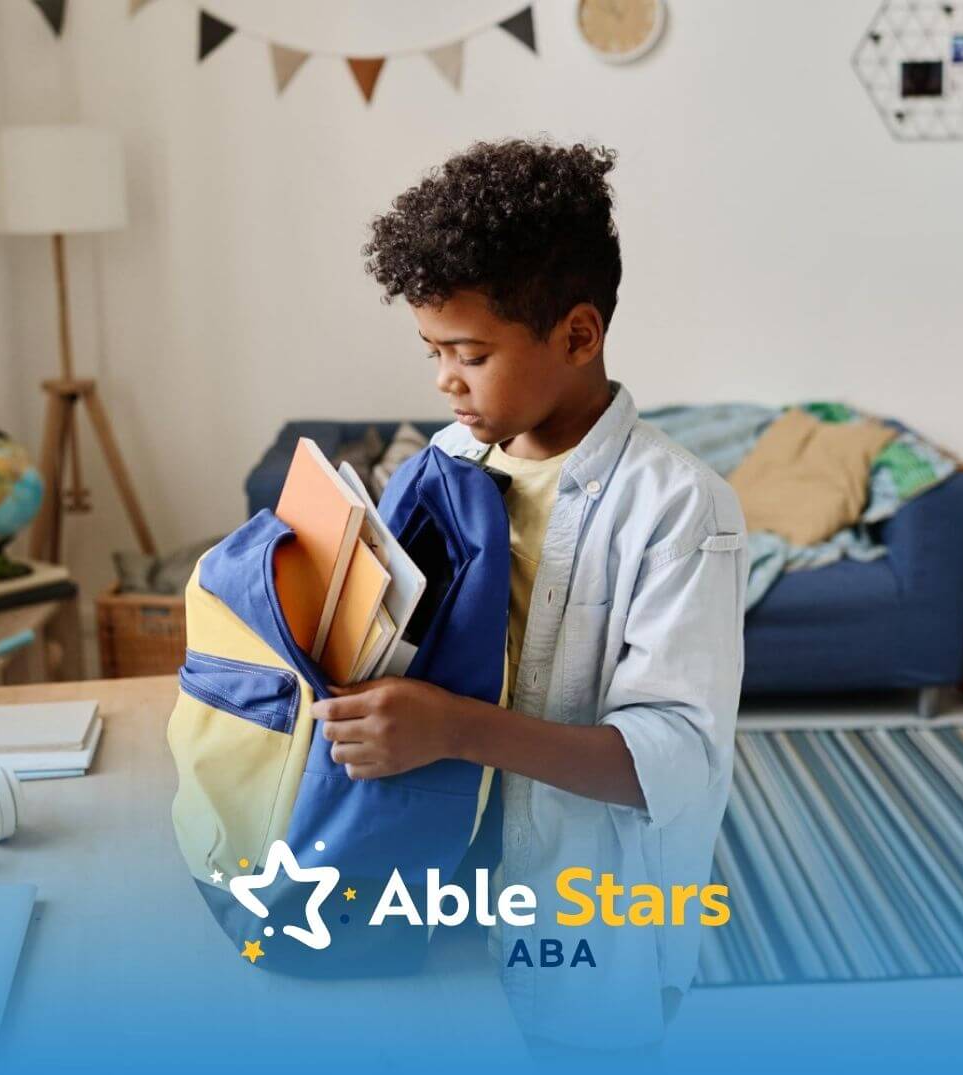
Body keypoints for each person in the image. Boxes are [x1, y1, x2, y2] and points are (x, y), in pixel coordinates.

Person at [311, 137, 747, 1055]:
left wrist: (453, 727)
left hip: (587, 921)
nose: (444, 378)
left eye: (469, 352)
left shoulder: (680, 507)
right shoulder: (444, 461)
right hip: (441, 880)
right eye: (432, 350)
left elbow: (670, 760)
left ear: (578, 336)